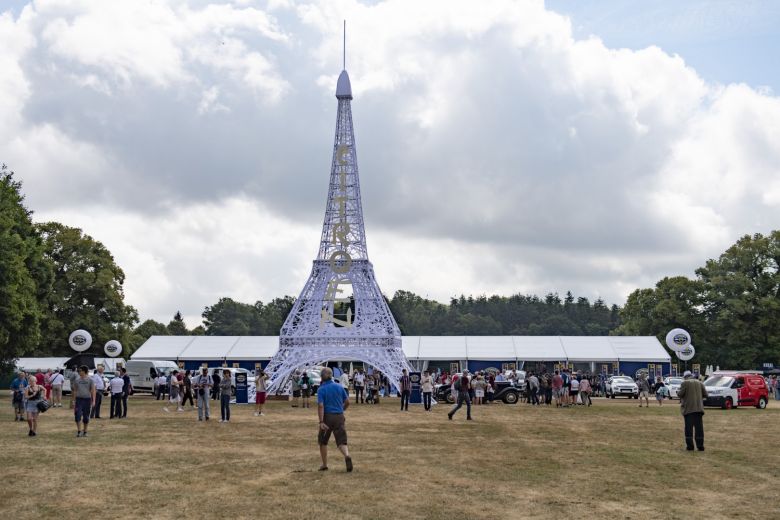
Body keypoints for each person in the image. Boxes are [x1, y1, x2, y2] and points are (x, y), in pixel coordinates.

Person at [317, 367, 352, 472]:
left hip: (327, 417)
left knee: (323, 441)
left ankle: (324, 464)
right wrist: (341, 410)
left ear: (322, 377)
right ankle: (347, 455)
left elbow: (321, 406)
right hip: (339, 416)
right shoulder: (339, 387)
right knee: (341, 441)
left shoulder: (321, 389)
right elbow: (347, 402)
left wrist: (321, 421)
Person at [677, 370, 708, 451]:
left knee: (689, 429)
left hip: (689, 409)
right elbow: (706, 394)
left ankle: (690, 446)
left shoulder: (685, 383)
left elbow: (680, 394)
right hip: (699, 409)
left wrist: (678, 391)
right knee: (699, 429)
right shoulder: (700, 383)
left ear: (685, 377)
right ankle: (700, 446)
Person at [71, 365, 96, 437]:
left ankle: (85, 431)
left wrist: (93, 401)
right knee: (77, 415)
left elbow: (93, 391)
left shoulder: (90, 380)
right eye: (79, 371)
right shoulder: (77, 380)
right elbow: (75, 391)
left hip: (87, 400)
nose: (79, 372)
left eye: (80, 371)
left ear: (84, 371)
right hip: (79, 400)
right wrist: (74, 401)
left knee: (86, 417)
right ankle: (79, 431)